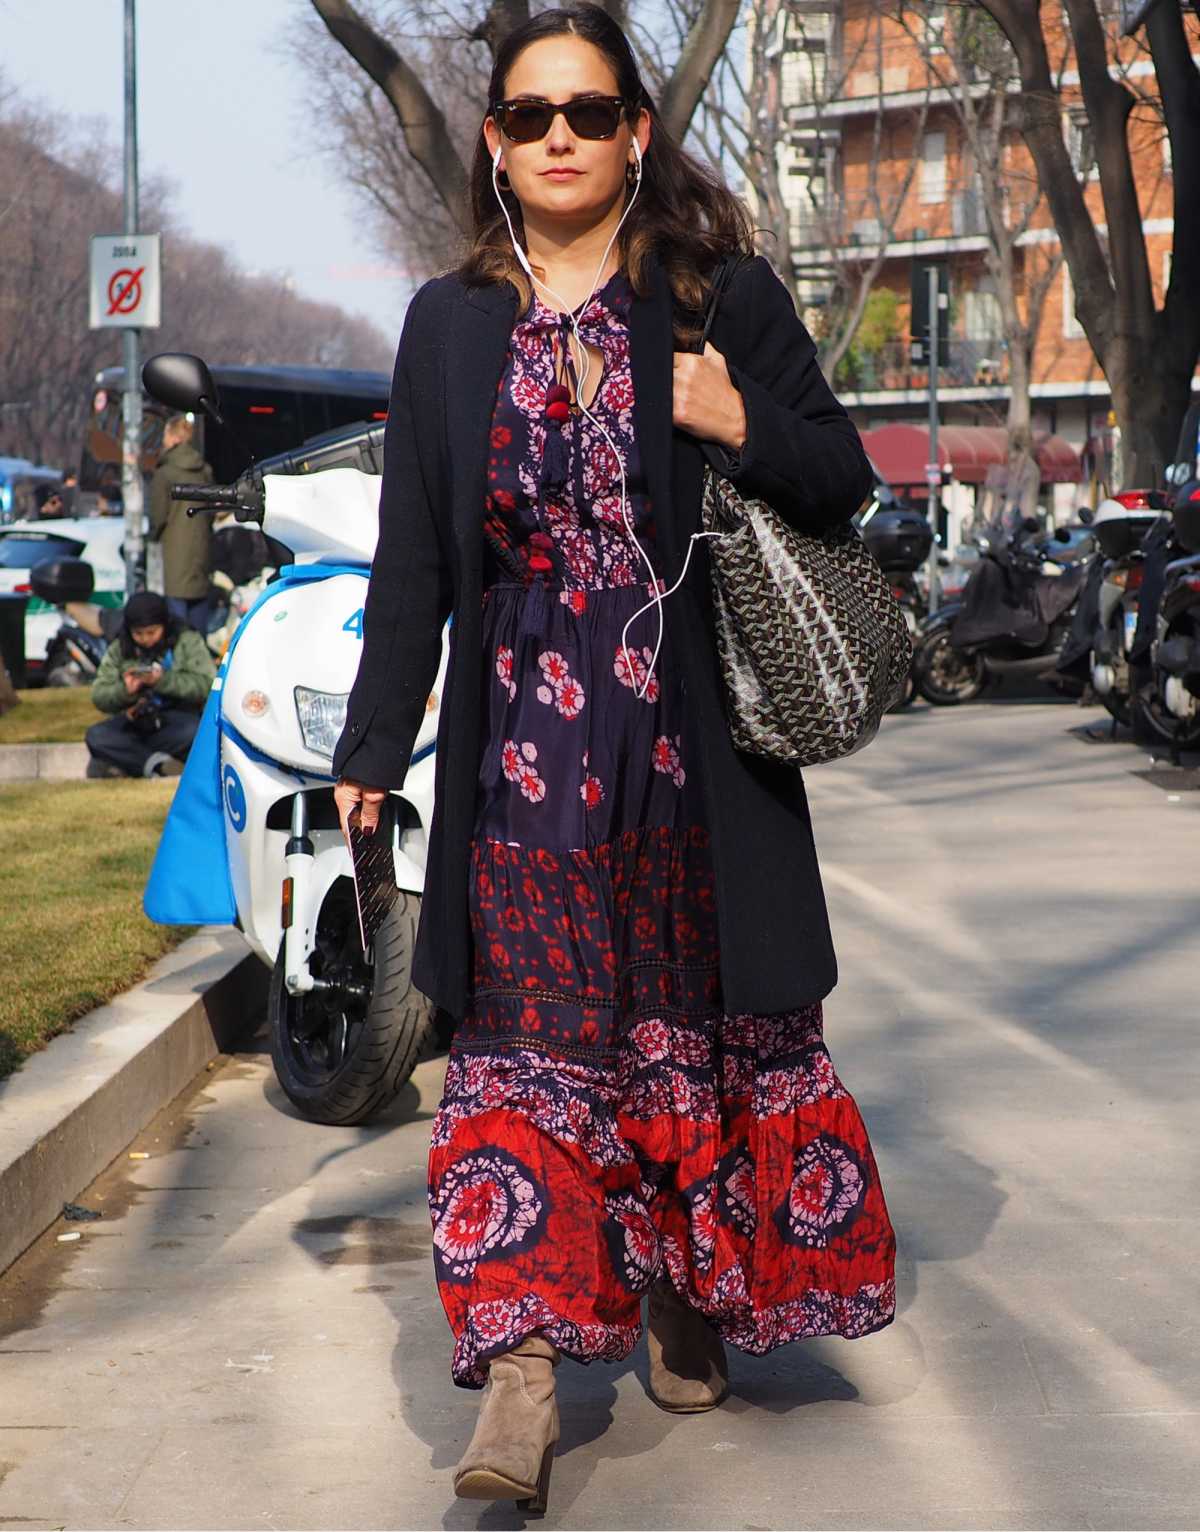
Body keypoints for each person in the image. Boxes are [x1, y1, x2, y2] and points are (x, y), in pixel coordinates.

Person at [331, 4, 896, 1512]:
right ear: (496, 146)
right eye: (530, 116)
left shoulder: (717, 296)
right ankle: (520, 1375)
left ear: (638, 134)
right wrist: (373, 746)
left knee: (686, 1036)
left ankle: (675, 1291)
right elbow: (412, 567)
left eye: (590, 111)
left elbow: (844, 474)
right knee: (522, 1055)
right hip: (522, 754)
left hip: (690, 746)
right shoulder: (450, 325)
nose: (562, 136)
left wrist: (738, 419)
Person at [86, 590, 214, 778]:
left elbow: (207, 684)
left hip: (176, 721)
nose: (145, 639)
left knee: (196, 731)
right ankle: (157, 765)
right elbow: (99, 694)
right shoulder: (120, 648)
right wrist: (125, 691)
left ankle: (131, 762)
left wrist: (163, 681)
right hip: (134, 722)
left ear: (164, 625)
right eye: (138, 633)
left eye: (151, 632)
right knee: (96, 735)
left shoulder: (186, 640)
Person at [149, 414, 216, 634]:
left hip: (175, 555)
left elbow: (158, 518)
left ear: (173, 438)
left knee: (176, 626)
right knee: (199, 626)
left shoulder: (165, 473)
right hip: (202, 554)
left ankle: (180, 665)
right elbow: (211, 512)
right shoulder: (204, 470)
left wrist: (150, 540)